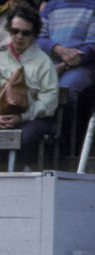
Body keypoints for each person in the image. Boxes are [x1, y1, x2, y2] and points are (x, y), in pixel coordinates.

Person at [0, 3, 60, 165]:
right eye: (15, 31)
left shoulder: (44, 62)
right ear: (9, 30)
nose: (19, 36)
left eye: (25, 32)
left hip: (33, 119)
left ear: (33, 34)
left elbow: (49, 100)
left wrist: (22, 116)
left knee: (21, 139)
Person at [36, 0, 94, 149]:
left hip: (83, 66)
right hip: (51, 63)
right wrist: (59, 50)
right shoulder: (51, 5)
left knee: (65, 91)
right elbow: (38, 38)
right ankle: (38, 146)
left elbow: (92, 45)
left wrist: (64, 64)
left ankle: (67, 148)